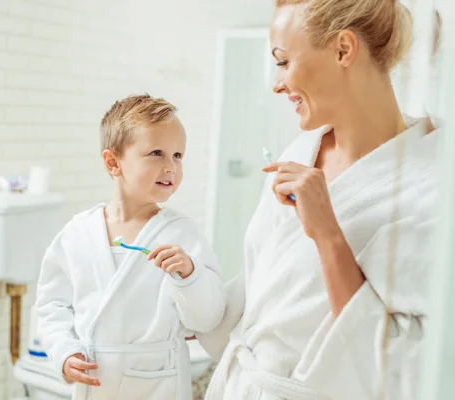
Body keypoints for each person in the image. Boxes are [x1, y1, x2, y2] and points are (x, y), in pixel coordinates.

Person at [198, 1, 440, 399]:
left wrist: (328, 233)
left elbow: (409, 364)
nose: (277, 83)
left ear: (343, 49)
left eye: (283, 61)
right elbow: (270, 288)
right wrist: (193, 296)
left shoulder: (431, 181)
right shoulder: (300, 150)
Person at [35, 94, 226, 400]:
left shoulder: (182, 234)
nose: (171, 167)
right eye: (156, 153)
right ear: (114, 163)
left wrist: (190, 274)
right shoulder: (78, 233)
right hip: (96, 381)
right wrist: (65, 351)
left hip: (158, 383)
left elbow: (208, 318)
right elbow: (51, 306)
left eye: (178, 155)